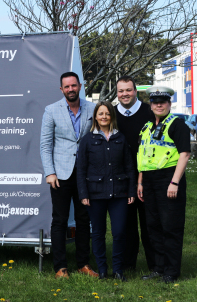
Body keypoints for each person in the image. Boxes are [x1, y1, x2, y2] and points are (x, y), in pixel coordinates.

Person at [40, 71, 97, 279]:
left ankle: (83, 263)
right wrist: (50, 172)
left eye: (74, 85)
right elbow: (45, 145)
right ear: (61, 89)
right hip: (60, 175)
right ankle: (60, 267)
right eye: (67, 87)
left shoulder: (92, 108)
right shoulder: (51, 110)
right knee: (60, 220)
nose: (71, 89)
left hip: (86, 174)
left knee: (84, 220)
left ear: (80, 86)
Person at [77, 101, 136, 281]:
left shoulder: (121, 138)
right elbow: (81, 169)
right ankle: (102, 269)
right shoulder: (88, 140)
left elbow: (129, 166)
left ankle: (118, 270)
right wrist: (84, 194)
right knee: (98, 233)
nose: (104, 117)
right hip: (95, 194)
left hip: (119, 193)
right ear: (95, 116)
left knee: (118, 232)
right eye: (100, 113)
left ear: (112, 116)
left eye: (107, 114)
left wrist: (131, 191)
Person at [137, 86, 191, 283]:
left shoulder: (178, 125)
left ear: (169, 103)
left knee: (170, 227)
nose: (159, 104)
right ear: (150, 105)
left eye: (163, 101)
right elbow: (143, 156)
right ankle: (159, 268)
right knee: (153, 226)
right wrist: (141, 182)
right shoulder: (147, 127)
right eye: (155, 101)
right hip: (149, 181)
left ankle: (171, 271)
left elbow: (185, 154)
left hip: (169, 179)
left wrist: (174, 182)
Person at [114, 76, 156, 271]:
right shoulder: (111, 115)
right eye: (121, 91)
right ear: (117, 93)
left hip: (148, 176)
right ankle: (128, 265)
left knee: (150, 223)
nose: (125, 94)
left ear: (135, 91)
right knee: (127, 225)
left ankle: (155, 265)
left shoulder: (150, 111)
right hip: (122, 178)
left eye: (128, 90)